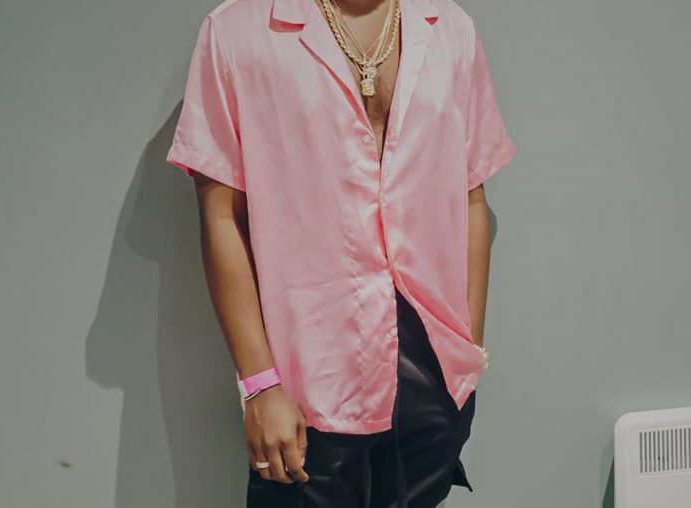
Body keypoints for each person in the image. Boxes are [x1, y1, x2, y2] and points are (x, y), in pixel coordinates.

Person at [165, 0, 515, 505]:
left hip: (433, 376)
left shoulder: (451, 29)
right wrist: (260, 384)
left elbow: (471, 195)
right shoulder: (238, 32)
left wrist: (468, 352)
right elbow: (221, 216)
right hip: (309, 383)